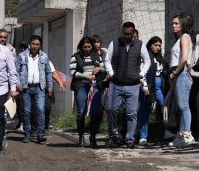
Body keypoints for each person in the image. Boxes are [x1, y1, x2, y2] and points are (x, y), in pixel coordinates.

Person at [103, 21, 151, 149]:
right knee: (112, 109)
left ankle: (130, 139)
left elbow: (147, 61)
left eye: (129, 34)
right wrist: (111, 73)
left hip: (133, 85)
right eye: (125, 34)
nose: (127, 36)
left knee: (131, 113)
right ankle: (114, 136)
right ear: (122, 32)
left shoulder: (140, 45)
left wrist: (141, 74)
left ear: (134, 33)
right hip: (116, 84)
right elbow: (107, 59)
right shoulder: (114, 43)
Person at [166, 13, 198, 148]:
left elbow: (184, 58)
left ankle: (187, 135)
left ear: (183, 24)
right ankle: (181, 135)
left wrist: (175, 72)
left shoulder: (185, 37)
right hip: (180, 74)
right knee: (180, 106)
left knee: (184, 106)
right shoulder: (181, 38)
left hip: (181, 73)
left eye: (176, 23)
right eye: (173, 23)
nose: (173, 25)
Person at [16, 34, 52, 144]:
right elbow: (16, 71)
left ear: (40, 46)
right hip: (26, 88)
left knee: (41, 111)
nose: (35, 46)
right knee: (26, 112)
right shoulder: (22, 56)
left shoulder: (44, 56)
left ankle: (40, 134)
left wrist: (50, 86)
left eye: (37, 44)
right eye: (33, 44)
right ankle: (27, 134)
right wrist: (18, 84)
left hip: (39, 88)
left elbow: (48, 72)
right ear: (29, 44)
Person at [69, 36, 103, 147]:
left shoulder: (96, 56)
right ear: (81, 47)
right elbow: (73, 72)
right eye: (85, 47)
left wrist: (99, 69)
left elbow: (103, 67)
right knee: (81, 112)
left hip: (95, 85)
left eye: (89, 46)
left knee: (96, 112)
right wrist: (87, 76)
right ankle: (81, 136)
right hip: (81, 85)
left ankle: (93, 136)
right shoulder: (75, 57)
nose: (87, 49)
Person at [137, 37, 169, 145]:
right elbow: (142, 74)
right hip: (148, 86)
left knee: (164, 107)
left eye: (159, 45)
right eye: (155, 45)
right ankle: (143, 136)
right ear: (150, 45)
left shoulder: (160, 58)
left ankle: (166, 132)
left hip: (159, 88)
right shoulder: (146, 58)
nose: (158, 47)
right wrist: (144, 87)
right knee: (144, 111)